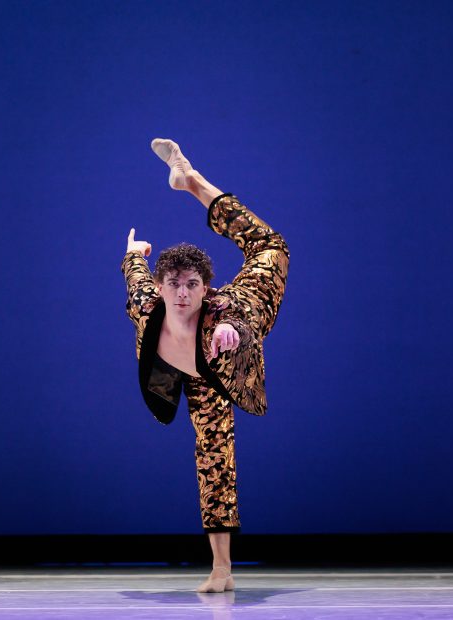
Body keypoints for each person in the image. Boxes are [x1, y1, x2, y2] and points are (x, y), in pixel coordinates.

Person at [123, 139, 288, 592]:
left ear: (204, 288)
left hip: (240, 324)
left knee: (271, 246)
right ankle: (222, 569)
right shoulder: (146, 305)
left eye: (191, 285)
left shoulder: (222, 310)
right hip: (201, 381)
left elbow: (237, 324)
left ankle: (191, 180)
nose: (181, 293)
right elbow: (135, 275)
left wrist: (231, 332)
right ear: (160, 288)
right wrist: (134, 254)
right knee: (215, 459)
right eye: (173, 284)